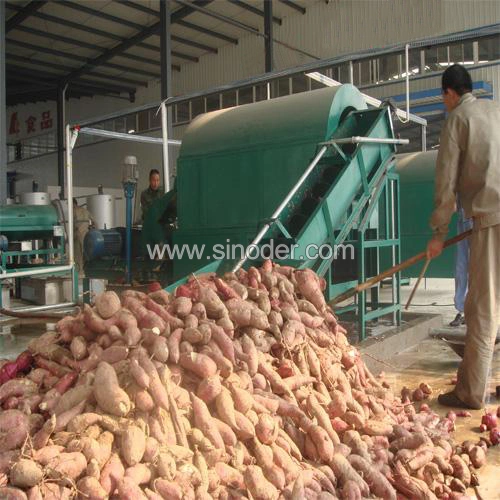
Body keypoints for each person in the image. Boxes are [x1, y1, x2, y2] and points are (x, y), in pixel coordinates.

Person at [426, 64, 500, 409]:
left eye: (443, 98)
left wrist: (439, 233)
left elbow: (446, 183)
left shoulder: (457, 119)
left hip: (491, 220)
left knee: (482, 308)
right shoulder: (496, 110)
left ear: (449, 94)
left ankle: (470, 393)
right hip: (490, 216)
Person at [449, 195, 473, 327]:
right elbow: (453, 206)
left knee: (482, 268)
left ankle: (482, 312)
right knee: (461, 267)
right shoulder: (459, 179)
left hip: (482, 222)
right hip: (463, 221)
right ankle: (462, 310)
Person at [73, 198, 94, 277]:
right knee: (85, 254)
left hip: (77, 235)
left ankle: (79, 272)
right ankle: (86, 270)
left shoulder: (74, 211)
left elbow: (71, 224)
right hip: (87, 236)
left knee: (77, 255)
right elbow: (95, 222)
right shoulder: (85, 211)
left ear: (73, 204)